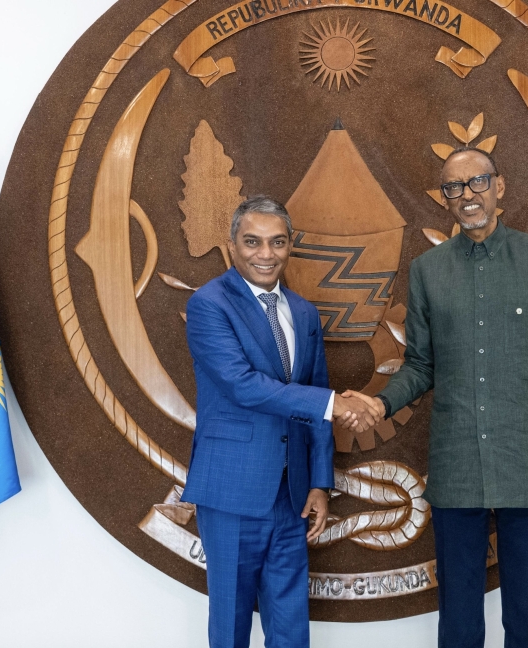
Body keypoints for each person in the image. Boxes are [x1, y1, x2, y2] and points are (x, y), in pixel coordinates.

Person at [350, 148, 528, 648]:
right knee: (459, 624)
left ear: (500, 187)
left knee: (526, 622)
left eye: (477, 182)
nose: (467, 196)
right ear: (444, 198)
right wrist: (380, 403)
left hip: (527, 466)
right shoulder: (427, 271)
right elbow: (421, 365)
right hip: (457, 468)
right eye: (453, 187)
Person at [182, 196, 378, 648]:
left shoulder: (304, 312)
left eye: (277, 242)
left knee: (291, 626)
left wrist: (319, 483)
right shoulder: (209, 304)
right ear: (232, 245)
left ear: (291, 246)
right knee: (230, 625)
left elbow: (314, 404)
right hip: (231, 492)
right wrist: (333, 402)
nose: (265, 254)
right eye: (252, 242)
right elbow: (243, 385)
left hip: (291, 498)